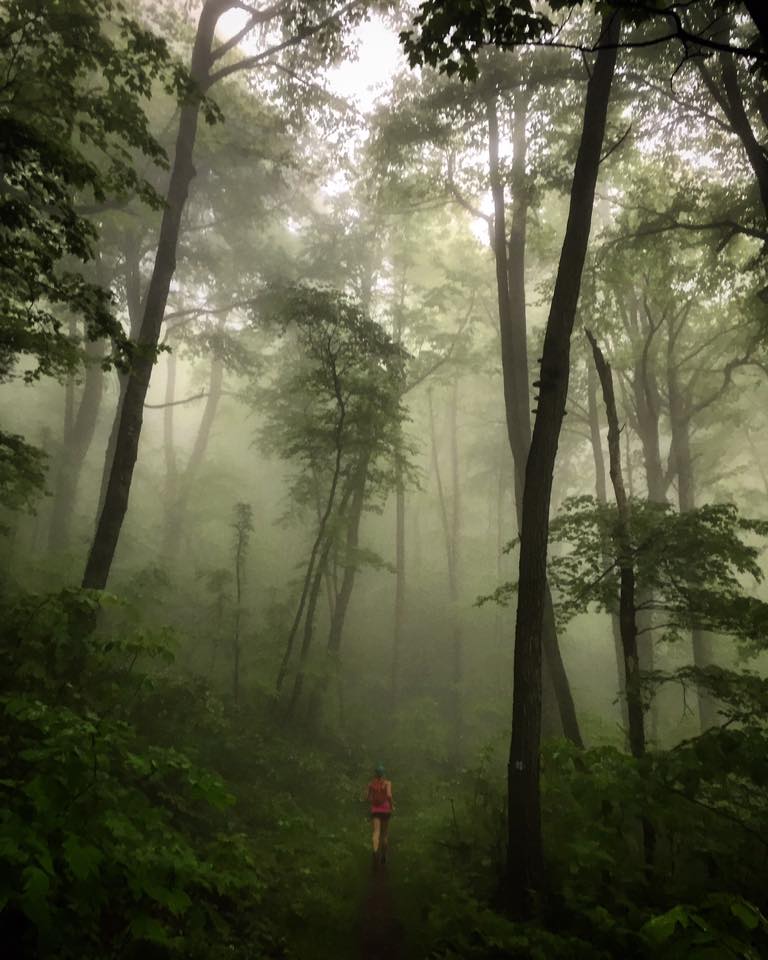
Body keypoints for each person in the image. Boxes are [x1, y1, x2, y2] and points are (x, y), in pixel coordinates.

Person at [366, 762, 394, 865]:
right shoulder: (387, 783)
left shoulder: (371, 784)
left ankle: (375, 851)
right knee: (385, 834)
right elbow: (389, 795)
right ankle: (384, 855)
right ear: (383, 773)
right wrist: (391, 805)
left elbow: (368, 797)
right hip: (386, 810)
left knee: (376, 832)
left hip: (375, 811)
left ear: (375, 774)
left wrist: (373, 800)